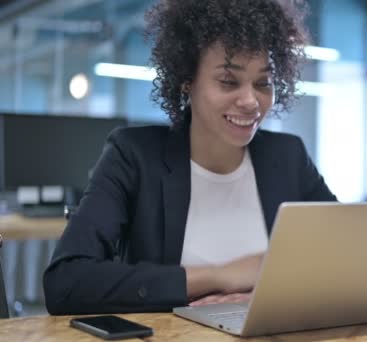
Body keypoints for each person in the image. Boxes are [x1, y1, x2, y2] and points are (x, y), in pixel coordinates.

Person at [43, 0, 336, 315]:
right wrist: (219, 276)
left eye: (263, 83)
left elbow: (348, 257)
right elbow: (66, 282)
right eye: (228, 81)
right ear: (187, 81)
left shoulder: (288, 157)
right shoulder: (135, 156)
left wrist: (259, 297)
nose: (251, 101)